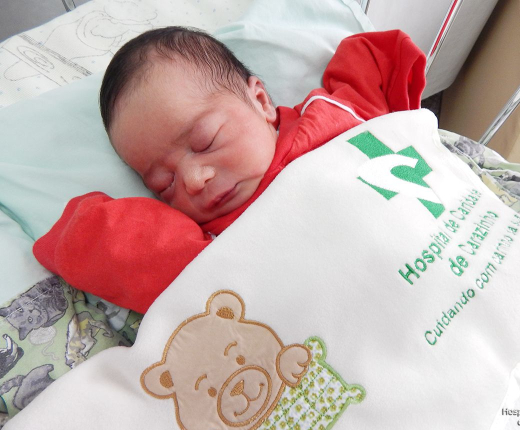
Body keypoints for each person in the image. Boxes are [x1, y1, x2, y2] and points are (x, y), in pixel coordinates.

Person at [33, 26, 426, 314]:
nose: (193, 180)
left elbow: (377, 55)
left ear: (261, 102)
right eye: (164, 183)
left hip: (422, 242)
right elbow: (102, 242)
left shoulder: (333, 117)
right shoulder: (212, 246)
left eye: (205, 141)